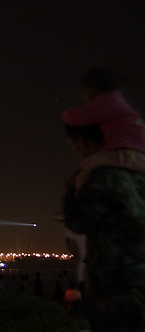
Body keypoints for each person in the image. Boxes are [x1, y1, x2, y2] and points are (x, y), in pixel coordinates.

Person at [62, 71, 145, 331]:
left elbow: (78, 221)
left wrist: (70, 191)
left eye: (75, 145)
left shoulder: (103, 174)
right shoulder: (135, 166)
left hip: (118, 285)